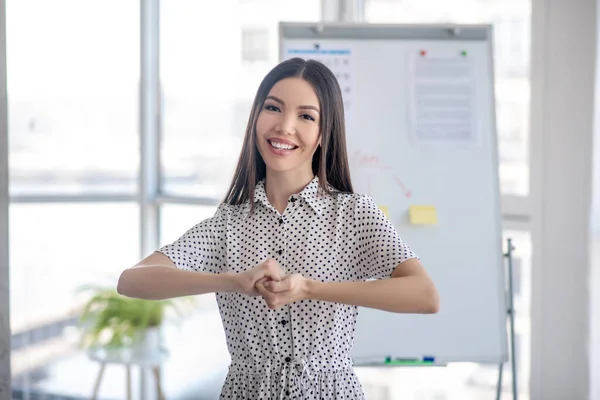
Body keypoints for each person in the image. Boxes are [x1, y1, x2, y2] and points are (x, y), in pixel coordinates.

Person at [117, 57, 439, 399]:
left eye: (306, 116)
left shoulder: (353, 213)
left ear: (322, 134)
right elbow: (132, 280)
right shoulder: (228, 223)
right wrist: (232, 281)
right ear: (256, 117)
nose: (285, 126)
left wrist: (310, 289)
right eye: (273, 108)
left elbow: (424, 295)